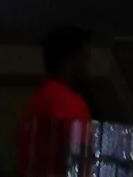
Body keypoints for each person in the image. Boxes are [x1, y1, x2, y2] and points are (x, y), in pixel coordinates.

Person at [14, 29, 90, 177]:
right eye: (83, 59)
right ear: (68, 62)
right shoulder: (70, 104)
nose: (86, 67)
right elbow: (79, 162)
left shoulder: (35, 101)